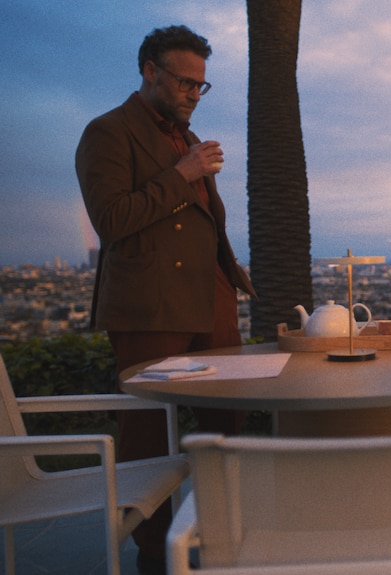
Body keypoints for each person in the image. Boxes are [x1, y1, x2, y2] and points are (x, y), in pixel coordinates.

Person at [76, 25, 255, 574]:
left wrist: (230, 269)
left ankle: (226, 537)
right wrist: (183, 173)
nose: (192, 95)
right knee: (149, 436)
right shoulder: (107, 132)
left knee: (228, 422)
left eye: (201, 86)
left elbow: (199, 221)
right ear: (149, 71)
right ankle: (153, 553)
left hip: (210, 298)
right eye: (183, 82)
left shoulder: (186, 135)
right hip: (149, 305)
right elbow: (112, 220)